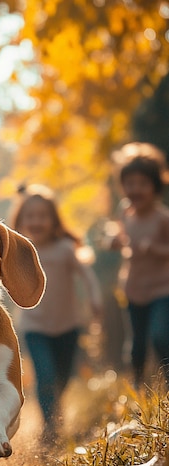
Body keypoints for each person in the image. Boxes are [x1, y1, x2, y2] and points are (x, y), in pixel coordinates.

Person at [8, 184, 102, 440]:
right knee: (46, 375)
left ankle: (55, 410)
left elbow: (87, 275)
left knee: (63, 377)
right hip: (34, 326)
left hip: (68, 325)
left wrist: (94, 297)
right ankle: (50, 427)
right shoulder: (19, 251)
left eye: (43, 216)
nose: (36, 221)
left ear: (53, 220)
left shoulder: (65, 249)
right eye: (31, 216)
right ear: (21, 219)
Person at [108, 142, 169, 390]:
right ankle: (138, 387)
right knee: (136, 345)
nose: (135, 189)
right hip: (133, 289)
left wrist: (155, 249)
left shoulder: (162, 218)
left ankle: (165, 386)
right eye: (130, 183)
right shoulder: (125, 212)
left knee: (160, 336)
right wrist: (114, 241)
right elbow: (121, 237)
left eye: (142, 184)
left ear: (155, 187)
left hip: (161, 289)